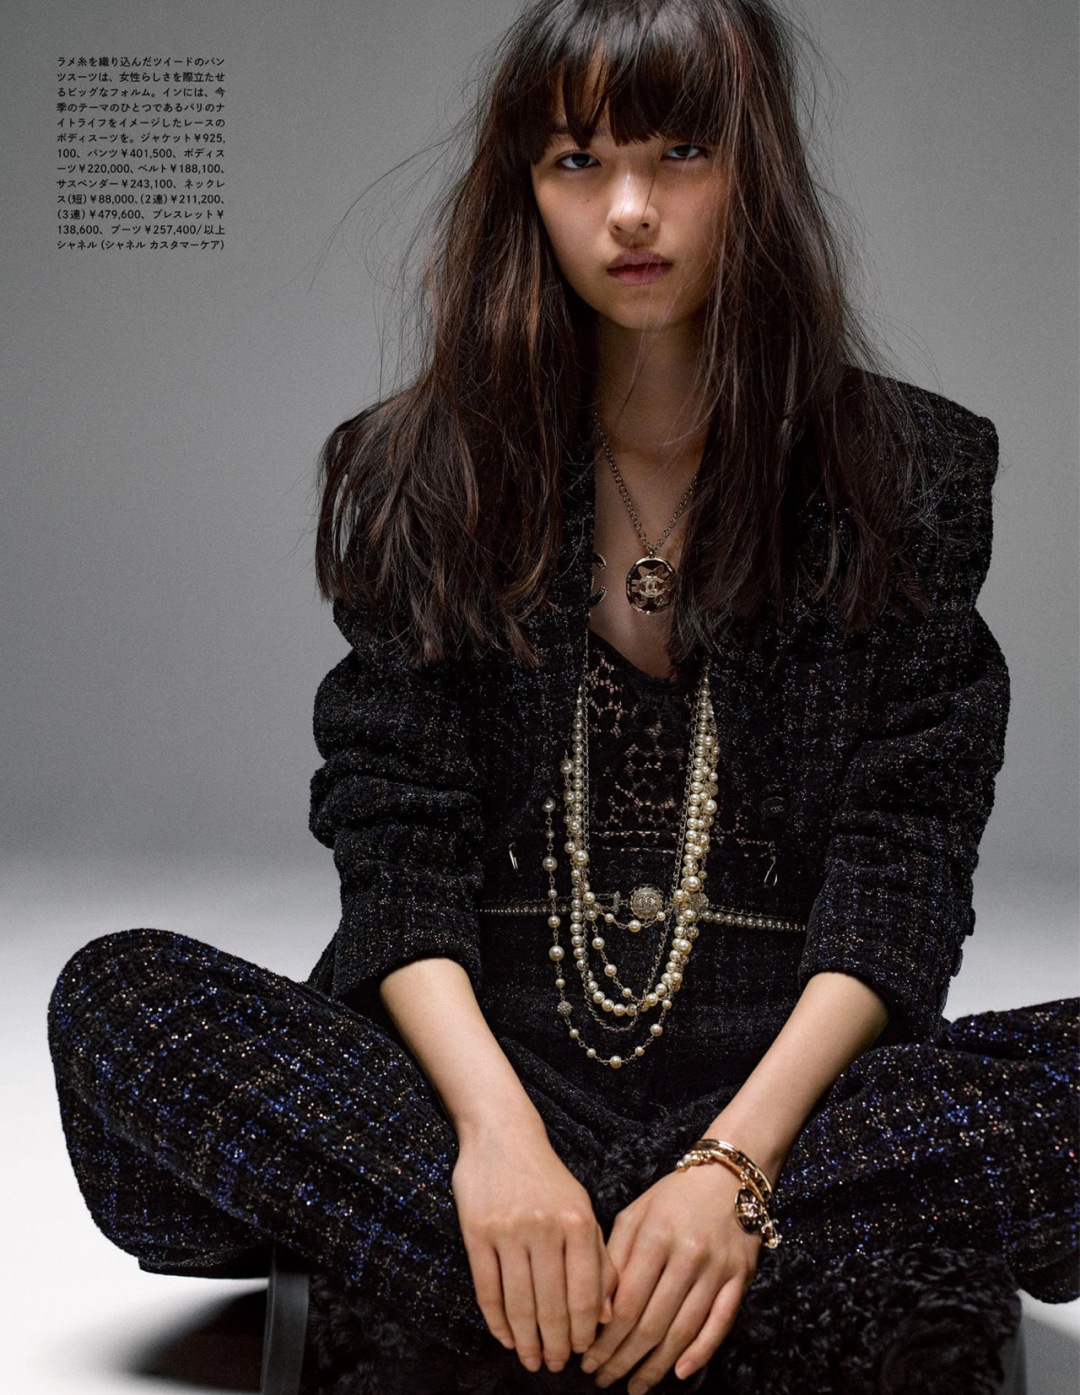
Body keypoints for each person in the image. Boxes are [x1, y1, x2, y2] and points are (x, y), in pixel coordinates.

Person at [47, 2, 1077, 1392]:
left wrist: (733, 1166)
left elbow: (905, 868)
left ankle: (524, 1293)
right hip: (478, 1089)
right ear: (524, 189)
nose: (631, 210)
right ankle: (712, 1297)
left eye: (683, 153)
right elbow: (398, 850)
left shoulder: (906, 472)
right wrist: (497, 1145)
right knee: (120, 1005)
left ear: (757, 169)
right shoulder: (426, 471)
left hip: (793, 1108)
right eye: (578, 161)